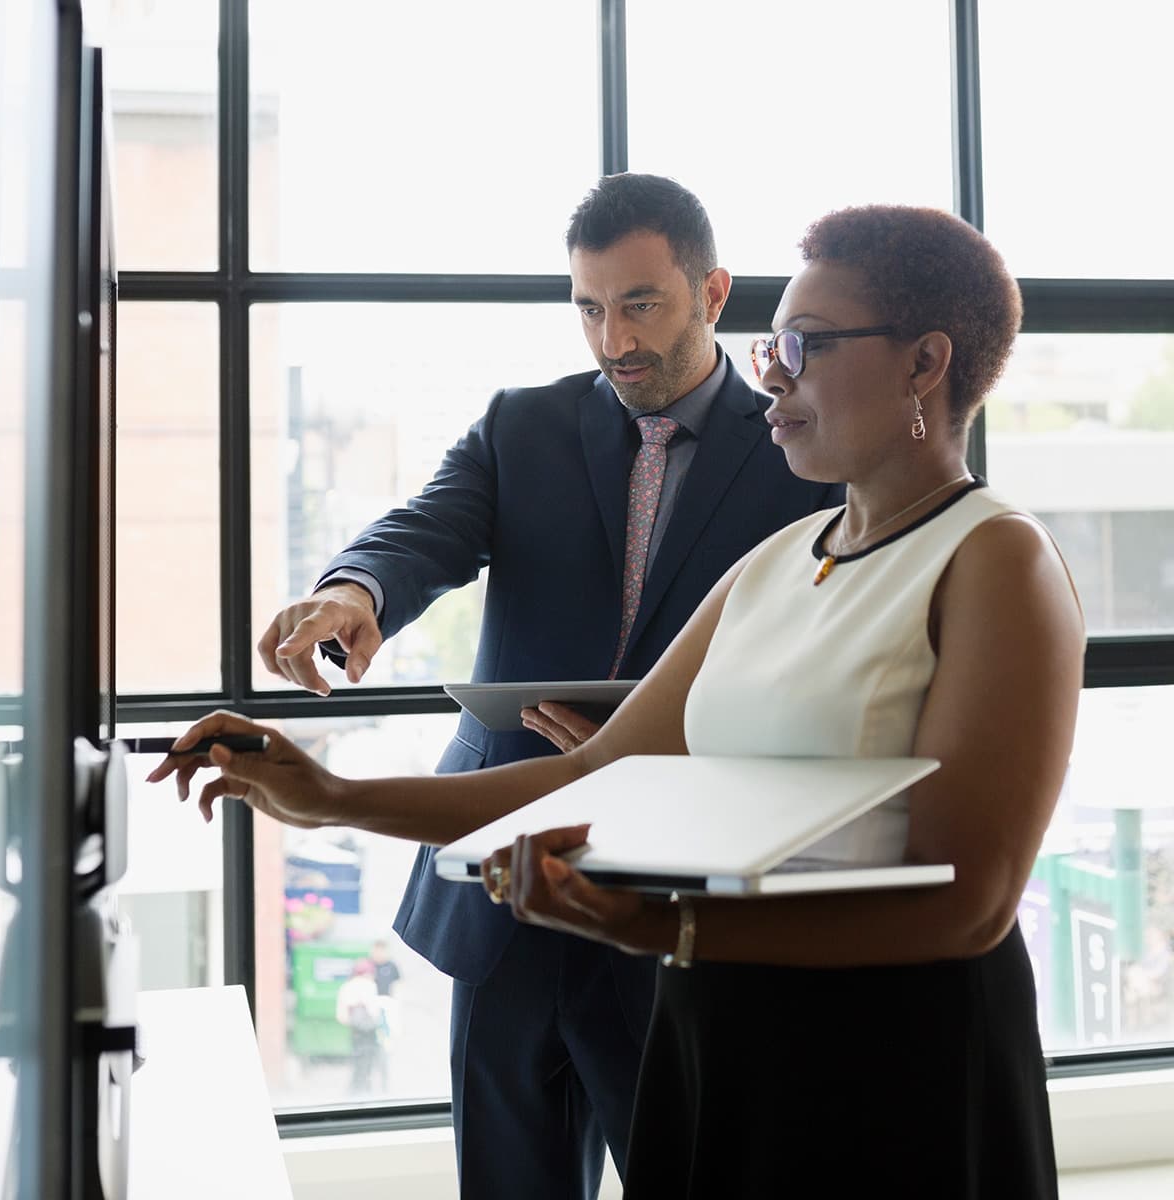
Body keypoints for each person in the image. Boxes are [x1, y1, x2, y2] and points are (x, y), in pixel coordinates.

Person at [152, 203, 1085, 1197]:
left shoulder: (997, 559)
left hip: (890, 1054)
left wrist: (669, 933)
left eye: (805, 345)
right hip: (727, 1020)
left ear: (924, 364)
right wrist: (329, 795)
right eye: (777, 344)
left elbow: (971, 903)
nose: (772, 369)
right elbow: (593, 772)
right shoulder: (775, 564)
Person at [247, 174, 840, 1198]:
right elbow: (425, 529)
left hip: (675, 893)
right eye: (589, 307)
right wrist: (353, 591)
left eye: (641, 303)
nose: (613, 339)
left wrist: (655, 743)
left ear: (713, 293)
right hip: (507, 892)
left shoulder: (800, 453)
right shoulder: (521, 425)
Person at [334, 959, 387, 1095]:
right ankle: (367, 1092)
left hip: (355, 1032)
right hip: (369, 1032)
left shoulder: (346, 986)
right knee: (370, 1063)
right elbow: (374, 1011)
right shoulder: (369, 985)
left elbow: (342, 1016)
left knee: (357, 1063)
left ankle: (355, 1093)